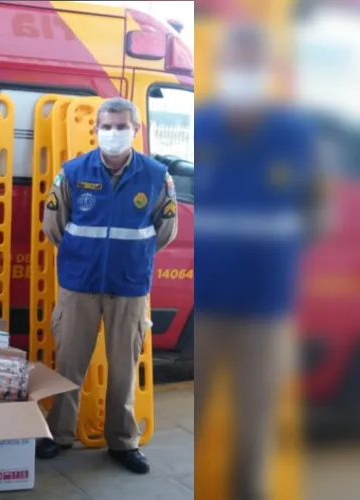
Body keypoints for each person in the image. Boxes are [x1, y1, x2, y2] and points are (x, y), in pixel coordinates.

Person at [193, 23, 329, 500]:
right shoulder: (201, 126)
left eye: (252, 63)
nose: (242, 72)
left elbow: (317, 212)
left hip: (266, 312)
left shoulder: (295, 134)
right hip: (204, 309)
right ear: (221, 67)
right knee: (196, 428)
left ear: (267, 70)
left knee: (253, 439)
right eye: (235, 63)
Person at [36, 97, 178, 474]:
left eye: (121, 127)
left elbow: (165, 230)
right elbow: (53, 226)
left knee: (124, 370)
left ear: (136, 130)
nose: (113, 134)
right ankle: (59, 436)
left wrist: (130, 257)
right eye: (107, 126)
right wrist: (83, 257)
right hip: (79, 284)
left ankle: (123, 442)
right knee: (69, 364)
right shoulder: (72, 172)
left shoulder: (156, 175)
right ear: (96, 129)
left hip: (128, 287)